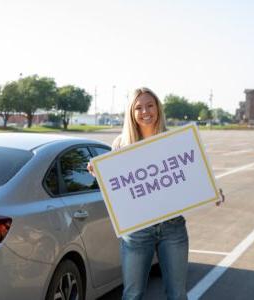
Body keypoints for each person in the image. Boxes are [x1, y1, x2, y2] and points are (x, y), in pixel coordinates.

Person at [87, 87, 224, 300]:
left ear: (158, 108)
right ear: (131, 113)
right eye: (138, 107)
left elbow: (189, 175)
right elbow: (118, 187)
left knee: (177, 294)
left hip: (173, 228)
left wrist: (211, 190)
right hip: (137, 232)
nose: (145, 111)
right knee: (133, 294)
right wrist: (99, 174)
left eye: (150, 105)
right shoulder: (121, 144)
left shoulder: (175, 140)